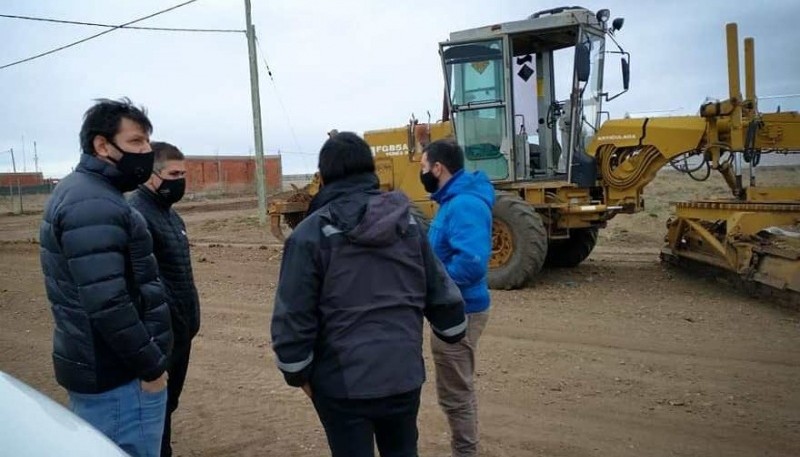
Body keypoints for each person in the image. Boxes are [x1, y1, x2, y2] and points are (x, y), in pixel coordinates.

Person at [270, 131, 467, 457]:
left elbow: (293, 313)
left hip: (342, 387)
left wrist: (297, 371)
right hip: (403, 377)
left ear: (326, 175)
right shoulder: (410, 224)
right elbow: (442, 292)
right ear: (369, 170)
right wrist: (451, 325)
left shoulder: (309, 235)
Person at [39, 98, 172, 457]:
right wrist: (152, 365)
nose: (146, 151)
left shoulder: (87, 192)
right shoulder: (95, 203)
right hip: (120, 379)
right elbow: (108, 302)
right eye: (135, 142)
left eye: (146, 142)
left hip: (104, 369)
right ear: (102, 145)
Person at [419, 139, 495, 457]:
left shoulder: (463, 204)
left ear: (438, 168)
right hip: (453, 308)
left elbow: (472, 262)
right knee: (456, 388)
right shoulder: (452, 200)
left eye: (423, 167)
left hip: (459, 311)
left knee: (455, 393)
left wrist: (434, 281)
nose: (421, 173)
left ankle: (466, 452)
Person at [128, 141, 200, 457]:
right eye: (174, 173)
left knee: (168, 404)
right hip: (160, 334)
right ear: (151, 174)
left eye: (183, 173)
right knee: (153, 410)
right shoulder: (137, 216)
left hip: (181, 332)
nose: (179, 180)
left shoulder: (172, 217)